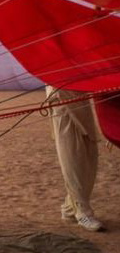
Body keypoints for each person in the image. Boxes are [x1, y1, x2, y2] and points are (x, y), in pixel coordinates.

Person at [46, 86, 105, 232]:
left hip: (81, 102)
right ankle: (82, 212)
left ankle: (69, 208)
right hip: (63, 105)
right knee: (73, 159)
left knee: (89, 159)